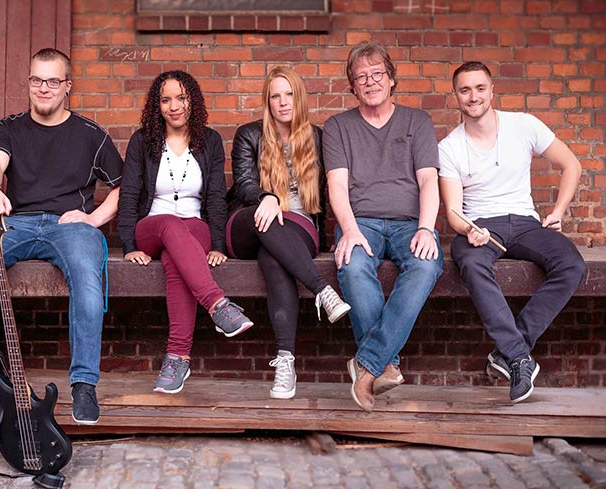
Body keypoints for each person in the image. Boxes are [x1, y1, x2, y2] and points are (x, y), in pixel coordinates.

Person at [0, 48, 123, 424]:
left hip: (70, 226)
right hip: (16, 222)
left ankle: (84, 384)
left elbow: (124, 186)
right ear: (28, 82)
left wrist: (93, 219)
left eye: (53, 81)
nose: (43, 88)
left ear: (67, 86)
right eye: (37, 79)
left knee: (87, 277)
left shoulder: (90, 135)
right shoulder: (8, 128)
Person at [439, 61, 585, 403]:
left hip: (525, 223)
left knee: (572, 264)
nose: (473, 96)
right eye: (464, 90)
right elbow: (454, 211)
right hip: (481, 226)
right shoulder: (449, 147)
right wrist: (469, 229)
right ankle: (519, 358)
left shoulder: (523, 125)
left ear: (492, 90)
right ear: (456, 96)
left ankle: (509, 349)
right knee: (471, 262)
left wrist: (558, 212)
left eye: (479, 88)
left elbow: (571, 164)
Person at [323, 42, 443, 412]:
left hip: (410, 224)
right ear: (352, 86)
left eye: (377, 74)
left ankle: (368, 364)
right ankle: (384, 365)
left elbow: (428, 180)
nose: (370, 81)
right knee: (353, 264)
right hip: (362, 223)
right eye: (361, 77)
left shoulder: (417, 122)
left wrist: (426, 229)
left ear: (391, 79)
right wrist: (350, 229)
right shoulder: (338, 127)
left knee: (426, 265)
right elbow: (337, 186)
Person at [118, 70, 253, 394]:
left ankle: (177, 357)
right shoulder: (142, 141)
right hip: (152, 228)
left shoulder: (210, 141)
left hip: (195, 229)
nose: (174, 106)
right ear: (157, 105)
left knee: (176, 259)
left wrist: (218, 244)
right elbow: (129, 195)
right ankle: (218, 305)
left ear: (193, 100)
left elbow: (216, 197)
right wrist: (128, 245)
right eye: (166, 100)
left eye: (181, 98)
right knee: (169, 223)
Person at [226, 66, 350, 400]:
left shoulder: (317, 137)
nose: (283, 102)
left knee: (273, 257)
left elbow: (327, 194)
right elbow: (244, 183)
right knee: (269, 221)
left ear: (300, 98)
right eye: (275, 96)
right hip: (251, 220)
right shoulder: (248, 134)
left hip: (297, 228)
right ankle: (322, 290)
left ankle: (285, 361)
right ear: (267, 101)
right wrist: (266, 197)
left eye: (289, 94)